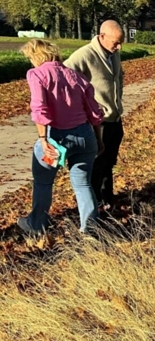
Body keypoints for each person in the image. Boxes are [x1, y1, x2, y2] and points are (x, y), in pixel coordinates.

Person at [16, 40, 104, 237]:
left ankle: (37, 224)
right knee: (83, 184)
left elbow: (39, 108)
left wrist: (43, 139)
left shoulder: (37, 74)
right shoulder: (76, 76)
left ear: (37, 56)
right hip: (85, 136)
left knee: (44, 182)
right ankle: (90, 230)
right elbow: (94, 112)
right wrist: (98, 140)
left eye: (30, 57)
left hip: (55, 138)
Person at [65, 19, 125, 214]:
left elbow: (118, 78)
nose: (119, 46)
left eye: (120, 42)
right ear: (102, 37)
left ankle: (108, 200)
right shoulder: (84, 55)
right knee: (97, 165)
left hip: (115, 119)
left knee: (109, 163)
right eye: (115, 42)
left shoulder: (114, 54)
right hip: (98, 123)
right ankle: (95, 206)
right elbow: (64, 77)